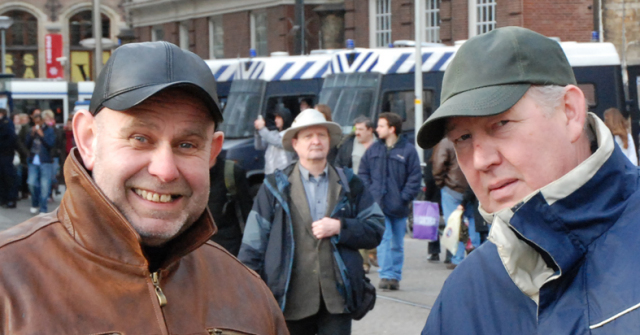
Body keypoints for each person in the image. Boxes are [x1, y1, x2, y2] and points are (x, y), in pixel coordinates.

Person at [0, 41, 288, 334]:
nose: (164, 170)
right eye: (140, 138)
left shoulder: (248, 293)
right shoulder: (7, 283)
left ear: (212, 154)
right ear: (87, 140)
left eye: (187, 145)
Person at [417, 26, 640, 334]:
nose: (480, 160)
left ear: (570, 112)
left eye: (501, 123)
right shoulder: (464, 293)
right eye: (463, 138)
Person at [239, 109, 385, 335]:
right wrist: (249, 294)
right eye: (308, 136)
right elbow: (253, 244)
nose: (316, 141)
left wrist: (341, 227)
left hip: (337, 299)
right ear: (295, 144)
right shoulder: (274, 187)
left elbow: (375, 228)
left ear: (329, 141)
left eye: (321, 135)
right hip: (289, 299)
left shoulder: (349, 183)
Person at [358, 112, 422, 290]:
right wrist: (371, 193)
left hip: (398, 205)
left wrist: (404, 197)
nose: (377, 129)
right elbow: (363, 172)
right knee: (384, 240)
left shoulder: (407, 150)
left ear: (392, 128)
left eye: (381, 126)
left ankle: (395, 276)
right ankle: (386, 275)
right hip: (379, 204)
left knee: (397, 243)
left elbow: (415, 177)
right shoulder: (374, 150)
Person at [334, 116, 378, 273]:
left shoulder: (378, 144)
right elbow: (339, 164)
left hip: (375, 190)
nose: (357, 132)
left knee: (373, 223)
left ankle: (373, 252)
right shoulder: (349, 144)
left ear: (370, 130)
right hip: (355, 190)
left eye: (360, 129)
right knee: (358, 223)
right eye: (355, 129)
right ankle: (364, 261)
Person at [431, 136, 475, 269]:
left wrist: (441, 183)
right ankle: (476, 255)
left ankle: (457, 258)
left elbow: (439, 164)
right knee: (473, 221)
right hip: (472, 186)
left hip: (452, 187)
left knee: (454, 223)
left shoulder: (446, 142)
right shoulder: (472, 137)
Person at [208, 155, 253, 256]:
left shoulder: (231, 173)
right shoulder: (185, 173)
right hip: (197, 249)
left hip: (229, 248)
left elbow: (247, 212)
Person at [25, 113, 56, 214]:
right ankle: (35, 203)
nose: (37, 122)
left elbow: (51, 144)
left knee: (44, 185)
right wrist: (32, 134)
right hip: (33, 160)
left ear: (43, 121)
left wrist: (42, 136)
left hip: (45, 160)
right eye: (35, 120)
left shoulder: (49, 130)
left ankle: (43, 208)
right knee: (31, 183)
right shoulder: (31, 130)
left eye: (39, 120)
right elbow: (26, 144)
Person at [255, 105, 295, 174]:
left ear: (285, 118)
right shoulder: (273, 133)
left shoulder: (290, 134)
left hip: (284, 173)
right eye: (275, 117)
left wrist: (262, 129)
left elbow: (278, 142)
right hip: (270, 173)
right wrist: (258, 132)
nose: (276, 120)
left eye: (279, 118)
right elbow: (260, 146)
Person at [42, 110, 65, 198]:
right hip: (46, 156)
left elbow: (59, 142)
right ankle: (49, 193)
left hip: (55, 155)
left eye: (50, 119)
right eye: (46, 119)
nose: (48, 121)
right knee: (47, 176)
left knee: (53, 175)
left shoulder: (57, 130)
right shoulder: (42, 130)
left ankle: (54, 188)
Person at [0, 108, 18, 209]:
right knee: (2, 177)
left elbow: (11, 138)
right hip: (3, 153)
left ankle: (11, 198)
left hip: (6, 153)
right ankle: (4, 198)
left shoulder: (7, 123)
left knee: (8, 176)